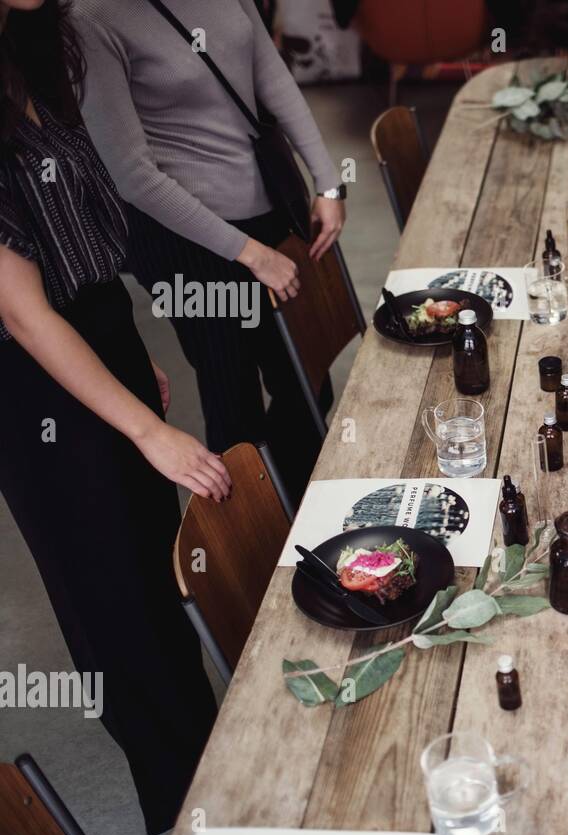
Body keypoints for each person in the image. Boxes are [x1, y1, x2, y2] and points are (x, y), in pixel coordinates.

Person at [0, 0, 227, 835]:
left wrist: (132, 358)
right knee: (112, 598)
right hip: (32, 382)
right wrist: (145, 428)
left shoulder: (34, 50)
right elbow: (23, 316)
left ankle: (217, 777)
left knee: (151, 573)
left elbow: (81, 234)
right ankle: (186, 816)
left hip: (93, 337)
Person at [71, 0, 348, 502]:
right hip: (185, 239)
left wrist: (328, 182)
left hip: (264, 204)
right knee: (234, 403)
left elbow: (270, 73)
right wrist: (250, 253)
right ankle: (250, 557)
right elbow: (133, 177)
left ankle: (294, 513)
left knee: (307, 378)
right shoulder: (93, 17)